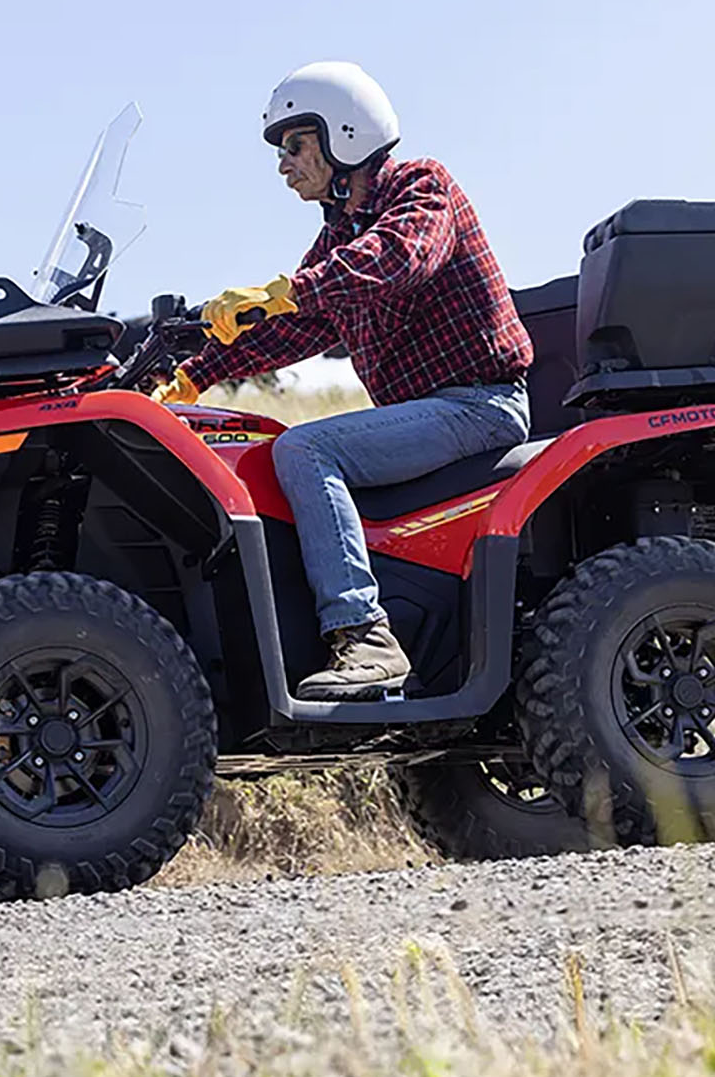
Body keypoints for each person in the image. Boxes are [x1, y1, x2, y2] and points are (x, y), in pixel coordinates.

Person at [152, 62, 533, 699]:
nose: (283, 164)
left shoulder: (421, 188)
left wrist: (287, 290)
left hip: (481, 404)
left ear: (345, 136)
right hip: (432, 412)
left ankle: (364, 636)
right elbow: (295, 327)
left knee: (305, 446)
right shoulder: (340, 233)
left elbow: (396, 260)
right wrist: (193, 377)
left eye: (295, 145)